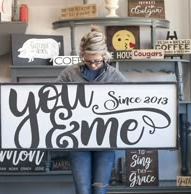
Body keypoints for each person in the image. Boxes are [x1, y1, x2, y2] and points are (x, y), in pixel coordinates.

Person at [55, 25, 126, 194]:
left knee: (99, 191)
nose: (93, 65)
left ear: (104, 56)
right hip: (77, 139)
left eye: (97, 60)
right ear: (82, 55)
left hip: (106, 141)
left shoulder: (115, 76)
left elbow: (129, 102)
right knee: (83, 190)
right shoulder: (69, 74)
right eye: (88, 60)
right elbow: (53, 99)